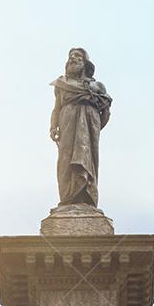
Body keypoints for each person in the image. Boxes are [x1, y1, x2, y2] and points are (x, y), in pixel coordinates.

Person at [49, 47, 111, 206]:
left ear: (85, 63)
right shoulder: (62, 83)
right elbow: (56, 108)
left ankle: (86, 197)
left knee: (87, 158)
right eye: (71, 56)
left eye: (78, 56)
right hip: (67, 121)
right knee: (65, 159)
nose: (73, 58)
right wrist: (53, 127)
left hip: (89, 126)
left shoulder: (97, 87)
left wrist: (94, 127)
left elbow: (106, 111)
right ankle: (67, 199)